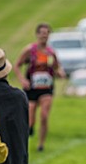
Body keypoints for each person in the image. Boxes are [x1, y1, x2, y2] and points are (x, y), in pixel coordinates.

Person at [13, 23, 66, 152]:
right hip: (32, 87)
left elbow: (57, 67)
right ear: (37, 34)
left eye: (47, 33)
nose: (44, 36)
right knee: (30, 116)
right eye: (42, 33)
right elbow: (17, 66)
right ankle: (29, 130)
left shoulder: (51, 53)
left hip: (46, 88)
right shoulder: (30, 50)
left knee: (44, 115)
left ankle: (41, 144)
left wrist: (60, 73)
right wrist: (22, 79)